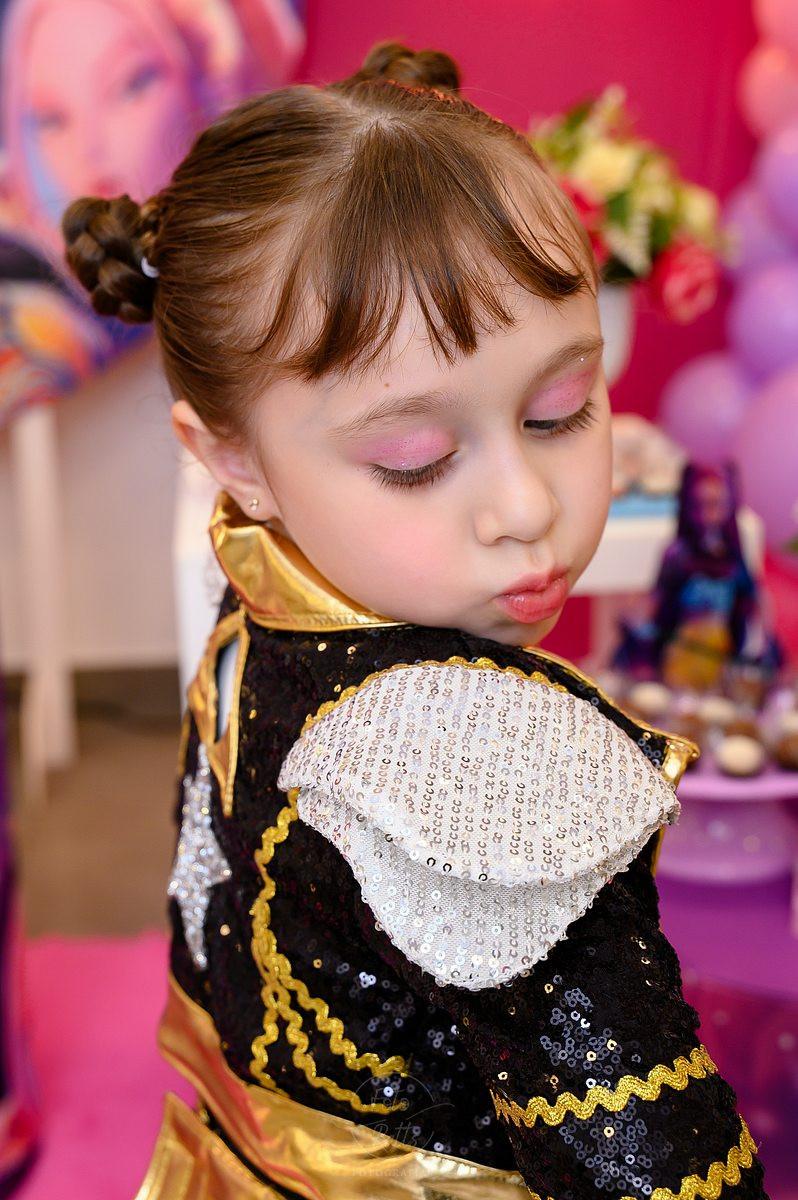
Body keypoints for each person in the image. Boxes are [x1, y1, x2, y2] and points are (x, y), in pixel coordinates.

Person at [63, 42, 768, 1199]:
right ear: (230, 458)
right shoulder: (477, 752)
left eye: (561, 410)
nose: (526, 508)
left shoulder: (269, 588)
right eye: (416, 458)